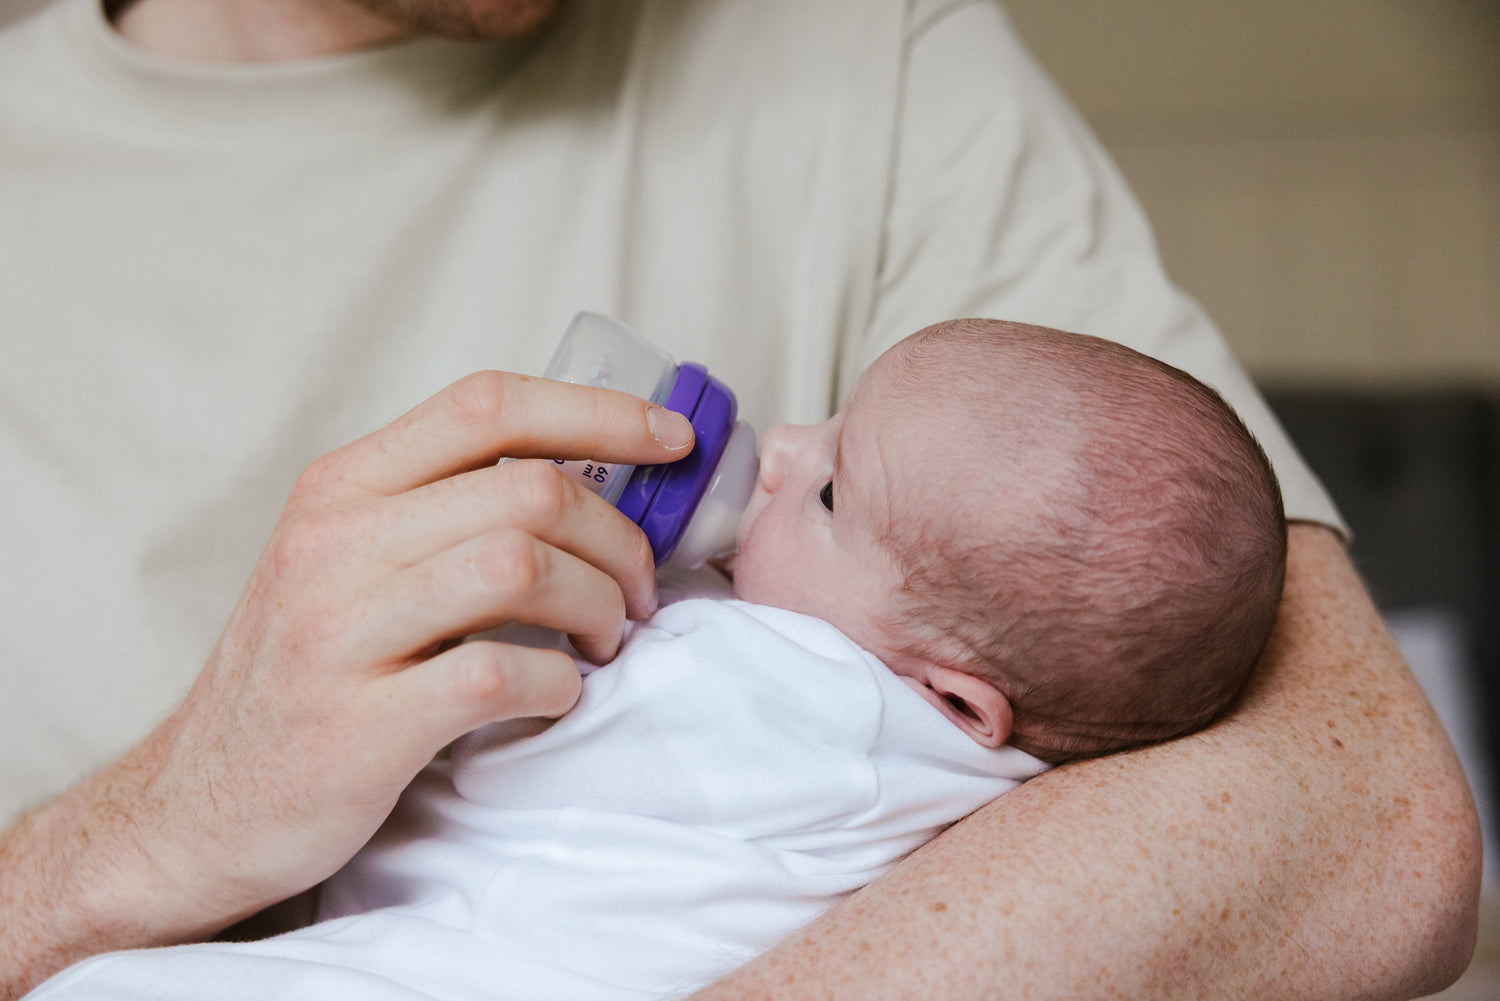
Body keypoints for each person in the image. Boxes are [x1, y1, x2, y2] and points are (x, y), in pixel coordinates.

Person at [0, 1, 1479, 999]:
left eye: (829, 478)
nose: (778, 452)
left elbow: (1360, 819)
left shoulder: (865, 52)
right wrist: (124, 839)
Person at [24, 319, 1287, 1000]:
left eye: (835, 490)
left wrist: (529, 603)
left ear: (950, 694)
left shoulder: (813, 709)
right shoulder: (974, 753)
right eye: (826, 420)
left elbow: (521, 754)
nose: (781, 447)